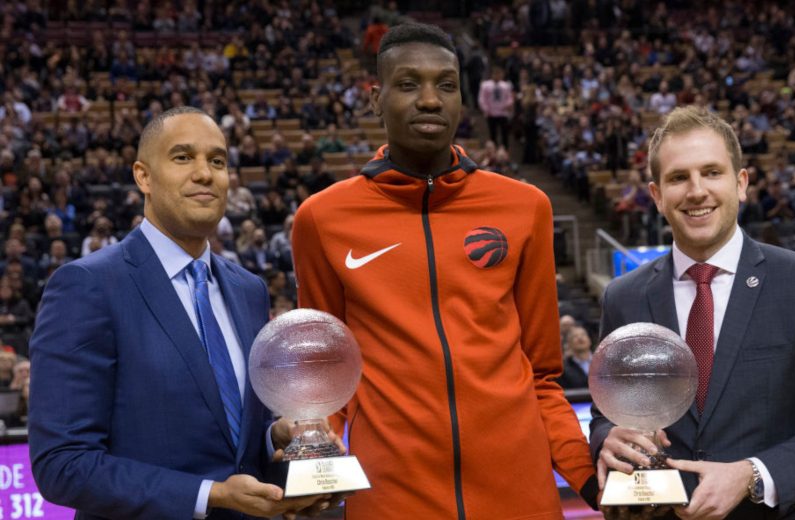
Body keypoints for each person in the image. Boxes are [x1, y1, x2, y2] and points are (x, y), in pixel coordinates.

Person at [293, 23, 598, 519]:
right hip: (392, 495)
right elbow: (327, 379)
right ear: (376, 98)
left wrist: (588, 476)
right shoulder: (322, 219)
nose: (430, 100)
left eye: (447, 85)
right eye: (409, 84)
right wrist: (314, 454)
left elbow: (542, 376)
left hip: (518, 494)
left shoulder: (526, 207)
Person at [29, 107, 329, 519]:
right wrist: (213, 495)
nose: (205, 174)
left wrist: (275, 438)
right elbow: (63, 465)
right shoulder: (87, 286)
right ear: (143, 176)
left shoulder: (249, 291)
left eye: (218, 161)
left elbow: (233, 443)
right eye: (183, 157)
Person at [590, 106, 795, 519]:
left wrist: (752, 475)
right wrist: (606, 438)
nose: (696, 191)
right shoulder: (623, 297)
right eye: (678, 178)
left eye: (711, 172)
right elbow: (606, 412)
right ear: (656, 196)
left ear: (740, 183)